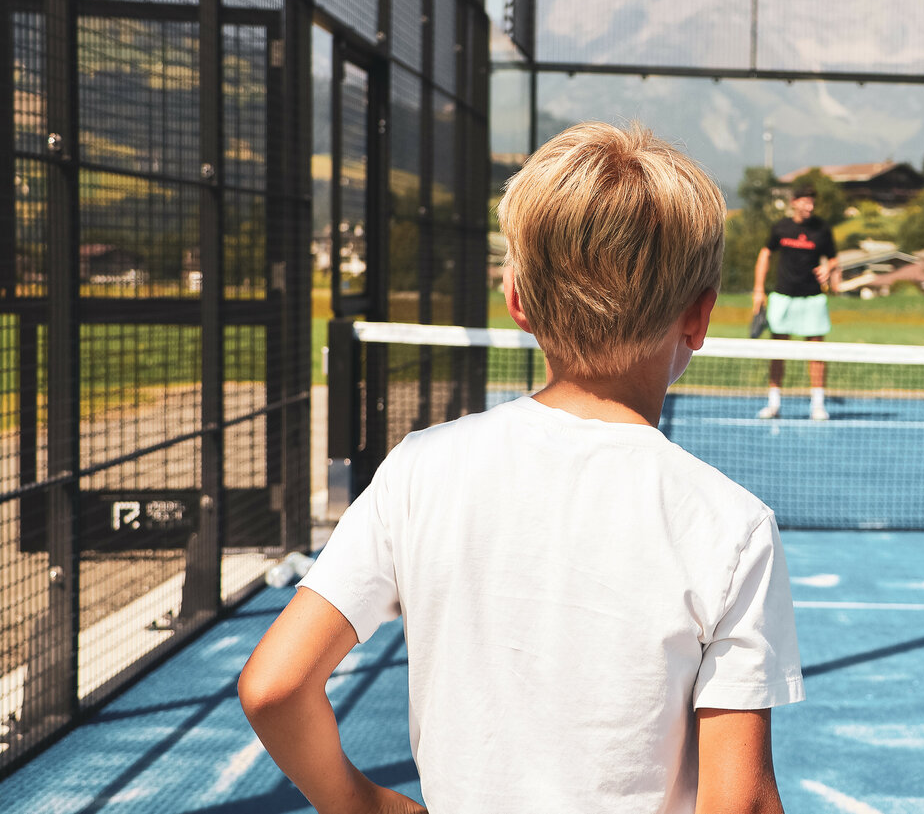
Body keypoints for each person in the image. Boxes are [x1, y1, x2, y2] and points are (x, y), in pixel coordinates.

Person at [239, 122, 804, 814]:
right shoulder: (731, 525)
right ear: (699, 317)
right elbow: (739, 801)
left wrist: (366, 805)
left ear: (518, 302)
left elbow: (275, 685)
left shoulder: (420, 468)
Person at [751, 184, 838, 420]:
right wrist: (759, 290)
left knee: (817, 353)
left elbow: (833, 259)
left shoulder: (822, 229)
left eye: (812, 202)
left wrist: (827, 268)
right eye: (806, 201)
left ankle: (818, 405)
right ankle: (774, 404)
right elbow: (765, 254)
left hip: (813, 299)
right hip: (783, 297)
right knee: (778, 351)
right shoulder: (781, 227)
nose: (810, 206)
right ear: (794, 202)